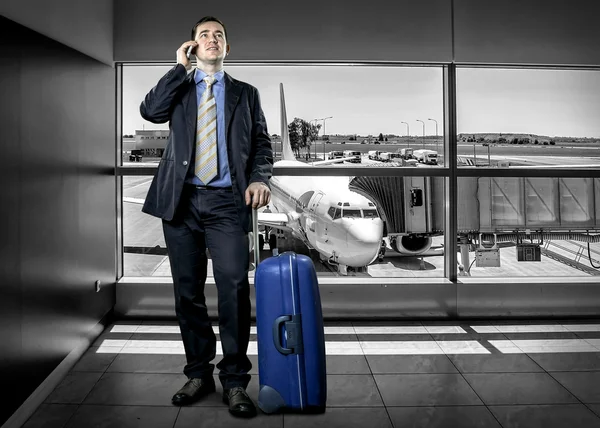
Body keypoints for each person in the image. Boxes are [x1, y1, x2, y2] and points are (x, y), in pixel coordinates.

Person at [139, 16, 273, 418]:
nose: (211, 40)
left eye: (219, 36)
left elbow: (262, 143)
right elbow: (149, 112)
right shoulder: (179, 88)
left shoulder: (246, 94)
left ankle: (234, 380)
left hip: (227, 205)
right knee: (187, 292)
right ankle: (198, 373)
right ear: (193, 47)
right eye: (203, 36)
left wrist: (260, 177)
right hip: (180, 204)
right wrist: (179, 68)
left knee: (233, 289)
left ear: (227, 48)